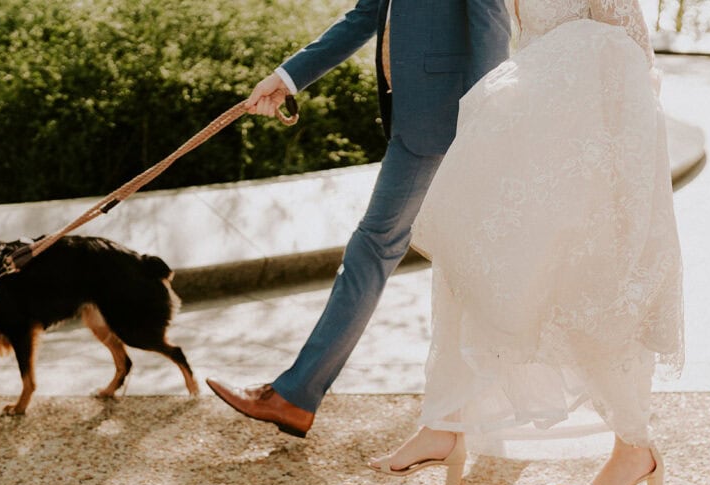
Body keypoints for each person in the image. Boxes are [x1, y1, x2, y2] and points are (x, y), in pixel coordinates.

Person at [368, 0, 685, 485]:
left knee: (588, 290)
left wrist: (615, 167)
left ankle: (633, 446)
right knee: (470, 267)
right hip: (525, 133)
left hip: (588, 144)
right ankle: (443, 425)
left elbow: (631, 47)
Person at [205, 0, 513, 438]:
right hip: (415, 119)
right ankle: (300, 396)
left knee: (374, 248)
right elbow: (365, 17)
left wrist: (482, 120)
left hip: (443, 120)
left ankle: (295, 397)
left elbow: (492, 25)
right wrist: (286, 79)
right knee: (397, 249)